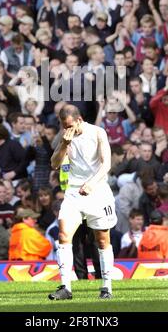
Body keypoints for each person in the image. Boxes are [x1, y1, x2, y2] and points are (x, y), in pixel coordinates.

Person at [48, 104, 117, 301]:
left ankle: (106, 287)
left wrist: (91, 183)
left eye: (69, 125)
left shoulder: (97, 132)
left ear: (79, 120)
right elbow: (54, 164)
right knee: (63, 234)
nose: (67, 129)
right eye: (63, 126)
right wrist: (63, 144)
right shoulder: (65, 137)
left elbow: (106, 164)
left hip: (98, 191)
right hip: (73, 192)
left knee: (102, 239)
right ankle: (65, 287)